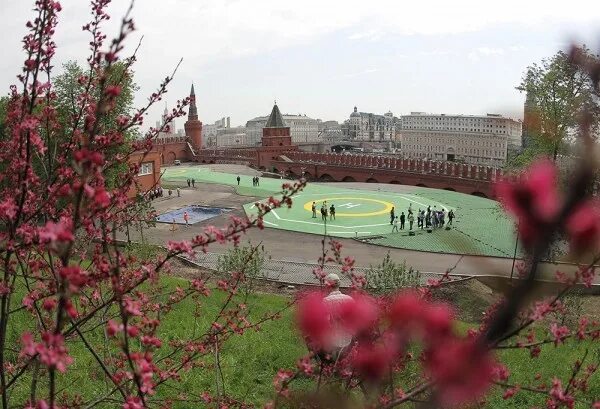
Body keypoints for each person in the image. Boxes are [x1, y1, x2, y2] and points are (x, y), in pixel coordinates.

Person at [320, 273, 353, 361]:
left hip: (332, 341)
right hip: (348, 339)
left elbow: (324, 323)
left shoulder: (325, 301)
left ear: (327, 286)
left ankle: (327, 362)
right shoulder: (349, 299)